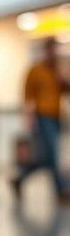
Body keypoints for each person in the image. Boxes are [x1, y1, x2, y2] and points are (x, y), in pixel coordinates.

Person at [12, 37, 70, 204]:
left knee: (48, 156)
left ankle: (19, 179)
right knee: (52, 152)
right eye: (50, 49)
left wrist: (65, 81)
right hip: (42, 116)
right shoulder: (35, 70)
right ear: (45, 50)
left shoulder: (57, 71)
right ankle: (60, 191)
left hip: (57, 116)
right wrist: (27, 116)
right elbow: (26, 95)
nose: (53, 53)